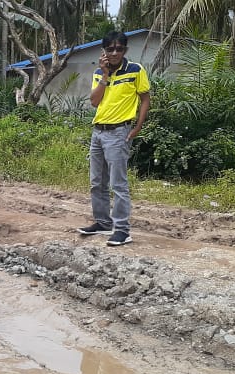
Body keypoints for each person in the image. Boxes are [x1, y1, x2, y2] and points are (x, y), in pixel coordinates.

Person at [77, 30, 151, 246]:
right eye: (110, 49)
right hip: (98, 132)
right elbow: (94, 101)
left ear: (125, 50)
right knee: (96, 182)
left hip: (119, 132)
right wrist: (105, 75)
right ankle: (102, 222)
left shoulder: (136, 70)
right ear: (104, 51)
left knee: (118, 184)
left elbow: (145, 99)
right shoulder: (99, 73)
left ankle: (122, 230)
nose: (115, 52)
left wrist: (137, 126)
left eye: (119, 49)